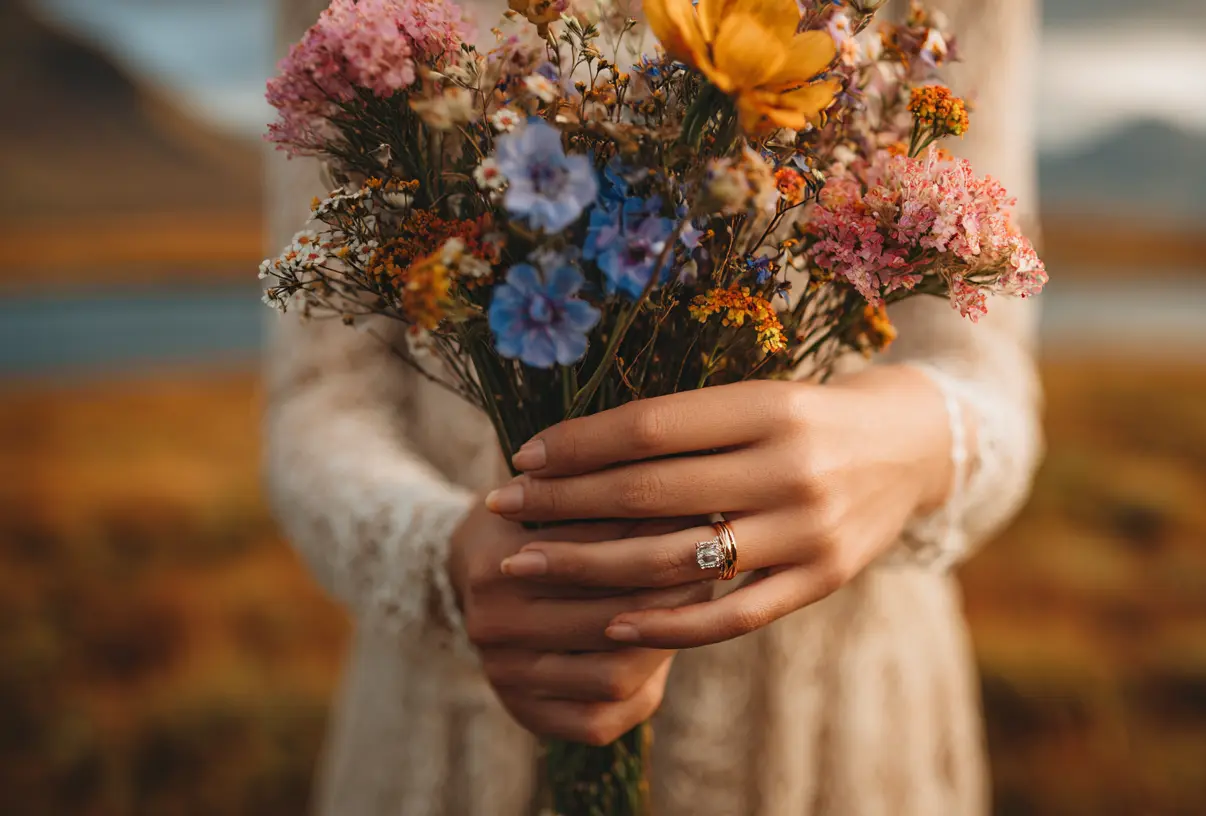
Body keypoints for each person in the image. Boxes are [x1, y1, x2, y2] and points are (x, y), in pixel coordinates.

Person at [265, 1, 1044, 812]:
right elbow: (322, 399)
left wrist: (898, 445)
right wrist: (444, 559)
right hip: (461, 720)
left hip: (827, 731)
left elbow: (982, 370)